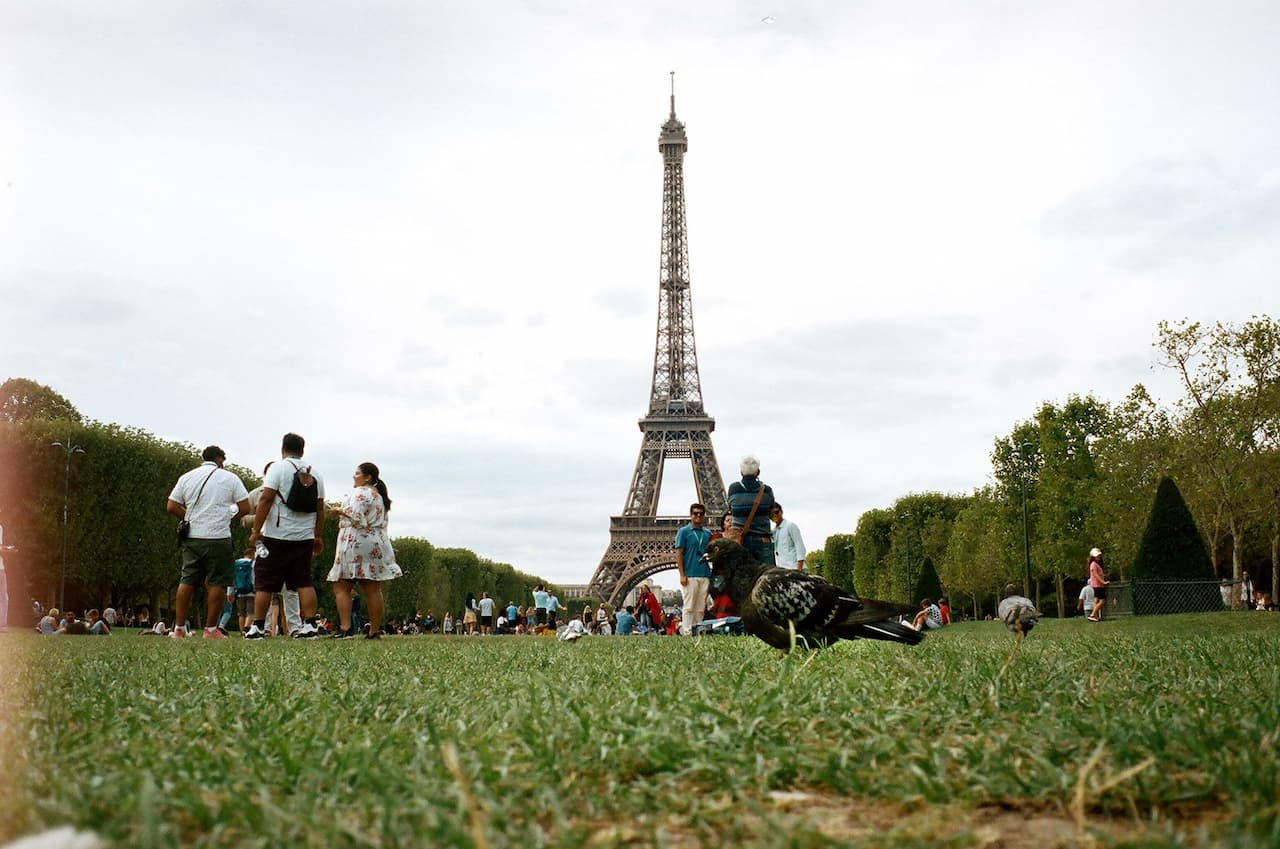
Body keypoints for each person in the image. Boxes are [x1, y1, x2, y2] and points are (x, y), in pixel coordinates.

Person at [165, 445, 251, 639]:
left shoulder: (187, 477)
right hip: (218, 537)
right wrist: (228, 515)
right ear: (220, 460)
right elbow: (245, 506)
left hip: (193, 537)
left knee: (187, 580)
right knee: (217, 583)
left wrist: (189, 517)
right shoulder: (230, 478)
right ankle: (211, 629)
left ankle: (178, 628)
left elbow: (171, 505)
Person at [246, 433, 325, 640]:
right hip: (304, 536)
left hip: (276, 535)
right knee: (303, 582)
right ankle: (309, 625)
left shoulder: (277, 468)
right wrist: (317, 536)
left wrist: (256, 531)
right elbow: (320, 509)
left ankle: (258, 627)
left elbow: (266, 499)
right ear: (302, 450)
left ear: (283, 449)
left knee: (265, 582)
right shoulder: (315, 473)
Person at [326, 462, 401, 640]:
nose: (354, 476)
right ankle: (374, 631)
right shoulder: (379, 496)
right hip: (376, 542)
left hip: (355, 541)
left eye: (357, 473)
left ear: (367, 477)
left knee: (341, 585)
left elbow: (357, 517)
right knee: (373, 589)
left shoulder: (360, 493)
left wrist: (339, 511)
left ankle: (346, 628)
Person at [727, 456, 776, 566]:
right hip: (763, 541)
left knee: (740, 577)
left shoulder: (734, 489)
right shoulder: (767, 490)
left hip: (740, 541)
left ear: (741, 472)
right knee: (767, 578)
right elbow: (771, 511)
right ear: (758, 472)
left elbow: (731, 508)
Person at [674, 502, 713, 635]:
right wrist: (682, 574)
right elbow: (679, 553)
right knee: (689, 605)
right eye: (695, 513)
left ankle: (698, 630)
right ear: (691, 515)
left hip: (704, 573)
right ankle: (687, 631)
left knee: (701, 607)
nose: (698, 516)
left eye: (701, 514)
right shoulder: (683, 532)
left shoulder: (708, 533)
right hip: (690, 574)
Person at [770, 503, 806, 571]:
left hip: (795, 568)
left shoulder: (790, 526)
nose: (774, 515)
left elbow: (800, 547)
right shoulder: (773, 532)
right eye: (771, 514)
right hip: (783, 570)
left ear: (781, 512)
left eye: (776, 512)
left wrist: (799, 569)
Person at [1087, 547, 1108, 622]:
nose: (1099, 557)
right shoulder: (1093, 564)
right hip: (1097, 585)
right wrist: (1103, 582)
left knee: (1096, 600)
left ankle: (1095, 617)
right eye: (1097, 556)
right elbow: (1095, 575)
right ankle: (1092, 614)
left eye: (1099, 555)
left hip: (1098, 585)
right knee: (1102, 601)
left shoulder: (1097, 564)